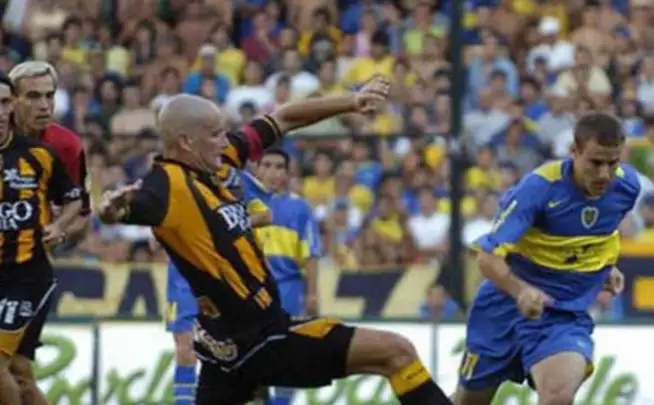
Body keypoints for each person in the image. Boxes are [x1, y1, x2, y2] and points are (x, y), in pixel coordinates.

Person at [96, 88, 454, 405]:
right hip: (263, 341)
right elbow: (129, 208)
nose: (225, 142)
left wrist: (351, 102)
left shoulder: (218, 162)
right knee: (396, 352)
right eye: (216, 134)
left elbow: (282, 119)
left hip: (225, 354)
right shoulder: (166, 186)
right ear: (187, 142)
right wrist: (112, 211)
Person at [455, 112, 637, 405]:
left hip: (562, 312)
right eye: (595, 163)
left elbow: (600, 231)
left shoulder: (627, 187)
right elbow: (487, 258)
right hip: (503, 307)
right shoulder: (538, 188)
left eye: (612, 163)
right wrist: (520, 291)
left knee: (558, 396)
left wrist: (605, 266)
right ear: (574, 152)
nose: (604, 174)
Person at [4, 61, 91, 405]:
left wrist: (60, 231)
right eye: (33, 96)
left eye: (49, 96)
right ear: (12, 100)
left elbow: (81, 214)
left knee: (13, 368)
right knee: (19, 372)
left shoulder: (65, 146)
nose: (44, 105)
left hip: (25, 270)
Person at [165, 158, 272, 405]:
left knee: (235, 348)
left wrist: (236, 222)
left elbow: (266, 214)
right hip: (183, 275)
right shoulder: (175, 175)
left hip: (224, 277)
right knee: (185, 345)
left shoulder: (234, 176)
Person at [252, 147, 323, 405]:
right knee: (254, 359)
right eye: (267, 165)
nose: (273, 172)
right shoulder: (245, 204)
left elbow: (311, 254)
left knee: (287, 356)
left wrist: (312, 294)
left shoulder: (299, 208)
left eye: (279, 167)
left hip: (289, 291)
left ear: (287, 173)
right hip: (253, 292)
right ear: (257, 170)